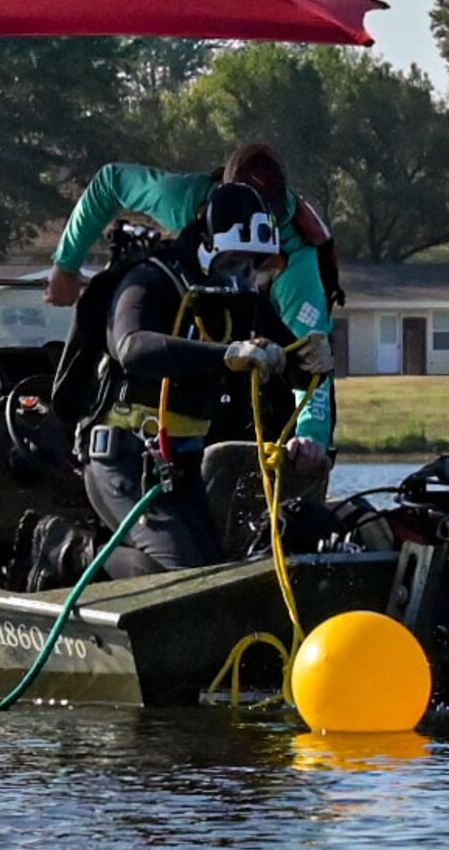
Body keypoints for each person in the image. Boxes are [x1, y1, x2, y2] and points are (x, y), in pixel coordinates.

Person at [81, 182, 333, 577]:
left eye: (253, 264)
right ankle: (72, 552)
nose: (242, 275)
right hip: (122, 461)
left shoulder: (242, 300)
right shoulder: (150, 280)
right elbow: (131, 347)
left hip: (182, 465)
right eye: (234, 260)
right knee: (180, 577)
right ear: (207, 247)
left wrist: (313, 359)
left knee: (216, 577)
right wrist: (228, 354)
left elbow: (290, 361)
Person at [47, 146, 339, 445]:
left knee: (289, 381)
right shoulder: (182, 198)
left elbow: (311, 360)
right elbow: (110, 182)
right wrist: (66, 264)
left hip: (266, 316)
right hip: (190, 324)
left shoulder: (297, 263)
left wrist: (310, 439)